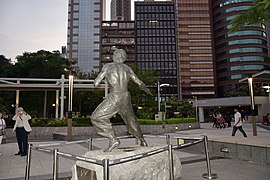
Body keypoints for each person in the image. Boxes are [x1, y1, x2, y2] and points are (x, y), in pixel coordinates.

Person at [91, 49, 152, 152]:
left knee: (96, 117)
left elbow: (96, 83)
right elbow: (139, 82)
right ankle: (142, 140)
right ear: (124, 58)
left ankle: (112, 139)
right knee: (130, 119)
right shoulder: (127, 68)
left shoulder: (107, 67)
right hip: (126, 96)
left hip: (115, 96)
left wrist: (100, 81)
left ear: (114, 56)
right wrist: (146, 90)